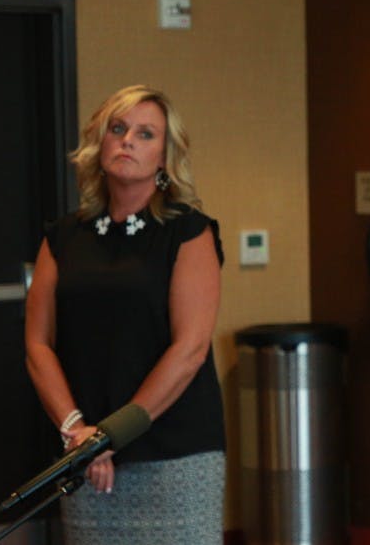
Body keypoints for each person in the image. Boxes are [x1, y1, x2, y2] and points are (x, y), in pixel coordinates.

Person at [25, 85, 226, 544]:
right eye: (118, 129)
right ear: (100, 145)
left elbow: (190, 349)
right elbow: (38, 344)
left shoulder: (188, 233)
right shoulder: (64, 237)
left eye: (145, 133)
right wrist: (78, 432)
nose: (127, 140)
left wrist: (111, 436)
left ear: (164, 158)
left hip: (174, 454)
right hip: (83, 454)